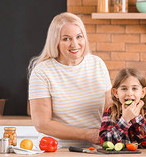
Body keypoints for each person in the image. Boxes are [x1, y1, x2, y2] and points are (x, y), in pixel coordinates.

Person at [28, 12, 112, 147]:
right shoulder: (42, 72)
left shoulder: (97, 64)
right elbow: (42, 124)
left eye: (79, 37)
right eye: (66, 39)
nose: (75, 44)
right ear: (55, 41)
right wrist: (87, 134)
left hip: (96, 149)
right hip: (57, 149)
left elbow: (109, 109)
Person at [99, 68, 146, 148]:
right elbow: (105, 142)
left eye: (134, 88)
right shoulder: (110, 111)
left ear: (143, 92)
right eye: (124, 89)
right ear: (116, 93)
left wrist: (136, 118)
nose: (129, 93)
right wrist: (125, 119)